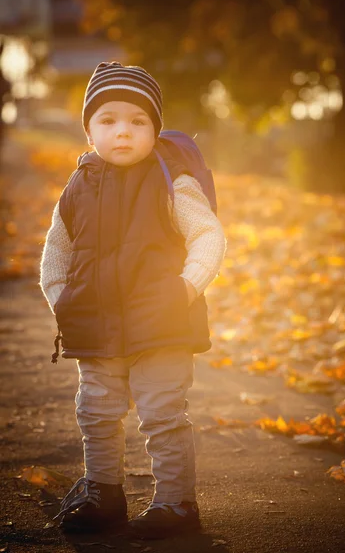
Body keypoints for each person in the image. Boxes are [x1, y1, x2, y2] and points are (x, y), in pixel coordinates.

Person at [39, 61, 227, 539]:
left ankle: (176, 503)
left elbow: (208, 235)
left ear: (154, 129)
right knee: (96, 411)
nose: (123, 132)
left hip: (162, 324)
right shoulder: (79, 185)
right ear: (89, 131)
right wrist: (66, 302)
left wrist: (183, 290)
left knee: (161, 413)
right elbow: (56, 251)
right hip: (94, 326)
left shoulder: (170, 180)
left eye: (137, 121)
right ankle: (104, 493)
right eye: (108, 120)